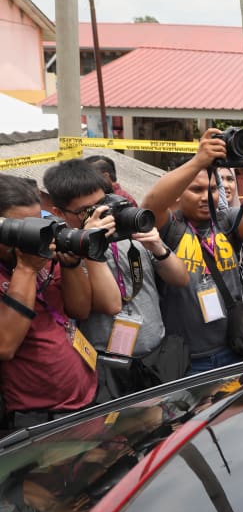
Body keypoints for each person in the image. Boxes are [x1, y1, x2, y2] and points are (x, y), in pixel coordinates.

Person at [44, 160, 191, 397]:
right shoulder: (66, 252)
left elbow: (181, 279)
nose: (101, 213)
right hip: (108, 366)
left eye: (102, 204)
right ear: (59, 213)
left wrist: (158, 248)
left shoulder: (127, 232)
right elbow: (107, 305)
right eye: (87, 211)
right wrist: (92, 242)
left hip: (157, 355)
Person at [141, 128, 243, 373]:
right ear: (179, 193)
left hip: (233, 347)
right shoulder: (170, 227)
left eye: (213, 189)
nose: (206, 197)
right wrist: (198, 161)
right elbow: (151, 204)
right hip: (188, 357)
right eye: (196, 190)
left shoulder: (224, 222)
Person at [0, 174, 120, 424]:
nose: (34, 234)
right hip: (41, 417)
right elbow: (5, 345)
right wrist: (26, 270)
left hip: (87, 396)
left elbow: (79, 310)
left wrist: (71, 265)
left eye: (37, 223)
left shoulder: (42, 257)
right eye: (21, 227)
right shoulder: (27, 263)